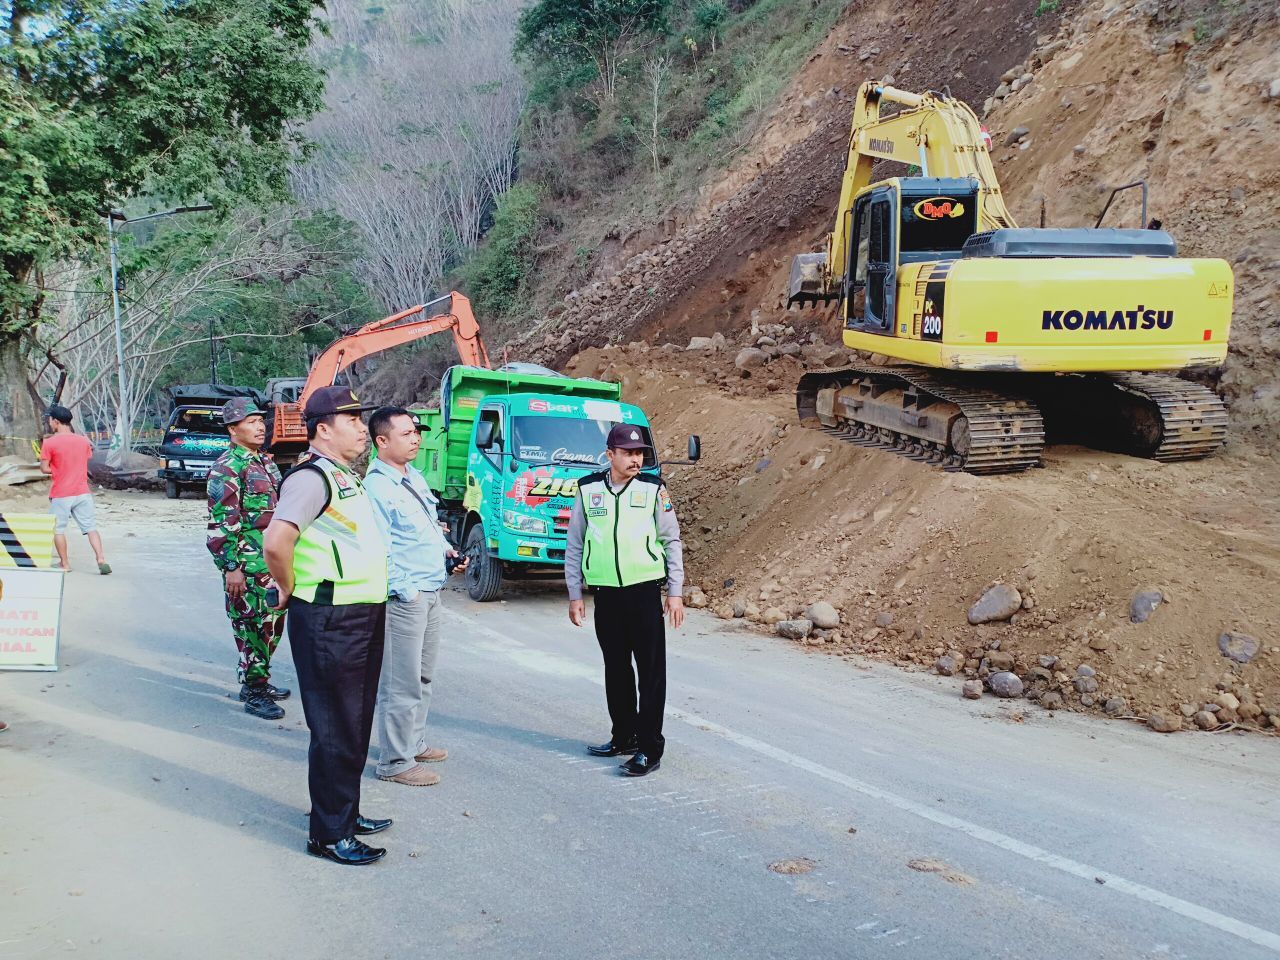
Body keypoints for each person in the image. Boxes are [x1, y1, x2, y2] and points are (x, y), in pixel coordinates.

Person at [263, 386, 392, 866]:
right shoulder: (312, 478)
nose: (362, 426)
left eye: (362, 417)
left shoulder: (344, 477)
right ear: (323, 428)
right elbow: (277, 543)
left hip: (360, 613)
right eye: (352, 419)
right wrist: (288, 586)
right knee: (335, 726)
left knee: (355, 721)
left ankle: (346, 811)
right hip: (330, 617)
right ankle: (329, 833)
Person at [564, 423, 685, 777]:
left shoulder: (653, 489)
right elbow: (575, 544)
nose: (636, 459)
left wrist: (674, 592)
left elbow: (671, 541)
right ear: (610, 454)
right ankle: (623, 736)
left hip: (644, 591)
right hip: (606, 594)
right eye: (629, 453)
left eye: (640, 453)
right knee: (615, 670)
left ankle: (649, 748)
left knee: (650, 673)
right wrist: (575, 593)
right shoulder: (588, 490)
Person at [363, 407, 466, 788]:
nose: (416, 438)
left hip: (430, 588)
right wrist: (404, 590)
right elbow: (379, 548)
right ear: (382, 441)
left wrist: (446, 552)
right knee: (399, 682)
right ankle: (394, 761)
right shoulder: (378, 487)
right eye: (406, 433)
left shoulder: (413, 476)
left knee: (422, 676)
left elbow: (427, 526)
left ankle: (413, 742)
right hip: (406, 597)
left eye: (416, 432)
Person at [206, 397, 289, 721]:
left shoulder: (264, 462)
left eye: (260, 421)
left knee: (271, 625)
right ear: (232, 429)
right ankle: (255, 690)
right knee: (252, 627)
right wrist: (231, 568)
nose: (260, 426)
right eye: (251, 422)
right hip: (246, 566)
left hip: (270, 563)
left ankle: (259, 679)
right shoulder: (227, 467)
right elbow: (221, 522)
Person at [39, 405, 110, 575]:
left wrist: (57, 469)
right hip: (82, 492)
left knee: (58, 529)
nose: (49, 423)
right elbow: (82, 461)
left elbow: (44, 469)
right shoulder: (83, 441)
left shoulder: (49, 443)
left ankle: (65, 563)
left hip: (62, 493)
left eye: (50, 420)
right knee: (91, 527)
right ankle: (101, 559)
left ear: (55, 421)